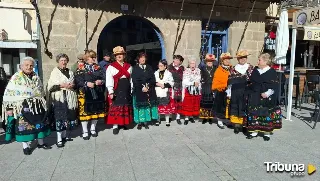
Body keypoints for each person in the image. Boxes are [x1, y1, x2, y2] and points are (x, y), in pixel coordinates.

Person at [2, 57, 51, 155]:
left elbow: (40, 90)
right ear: (21, 66)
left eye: (31, 65)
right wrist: (9, 108)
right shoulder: (16, 77)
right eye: (27, 65)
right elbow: (9, 93)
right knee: (24, 127)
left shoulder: (36, 76)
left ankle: (40, 143)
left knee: (39, 124)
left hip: (37, 105)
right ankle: (25, 146)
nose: (29, 67)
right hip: (22, 106)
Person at [244, 53, 282, 141]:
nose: (257, 61)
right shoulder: (255, 71)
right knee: (254, 112)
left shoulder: (271, 72)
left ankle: (266, 132)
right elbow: (251, 82)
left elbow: (274, 86)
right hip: (255, 95)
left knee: (266, 113)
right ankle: (254, 131)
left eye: (259, 60)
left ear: (265, 61)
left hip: (266, 97)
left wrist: (268, 93)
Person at [47, 53, 77, 147]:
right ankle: (59, 139)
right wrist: (62, 85)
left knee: (67, 117)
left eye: (65, 60)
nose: (63, 62)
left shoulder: (70, 72)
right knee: (59, 117)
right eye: (61, 61)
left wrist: (72, 85)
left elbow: (74, 83)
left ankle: (64, 136)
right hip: (59, 98)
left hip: (69, 97)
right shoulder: (55, 72)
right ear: (58, 62)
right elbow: (50, 87)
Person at [75, 50, 105, 140]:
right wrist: (86, 83)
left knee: (95, 111)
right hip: (84, 92)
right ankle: (85, 131)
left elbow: (103, 77)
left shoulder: (98, 67)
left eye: (94, 57)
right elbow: (77, 80)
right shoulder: (81, 67)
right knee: (84, 112)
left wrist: (101, 81)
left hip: (96, 91)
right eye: (91, 57)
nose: (93, 59)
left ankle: (92, 129)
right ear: (86, 58)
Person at [106, 46, 132, 135]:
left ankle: (123, 123)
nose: (119, 56)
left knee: (125, 106)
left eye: (121, 54)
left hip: (126, 88)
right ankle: (115, 126)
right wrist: (111, 91)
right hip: (116, 88)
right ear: (115, 56)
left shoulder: (129, 66)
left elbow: (131, 79)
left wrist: (131, 89)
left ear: (124, 55)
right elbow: (109, 79)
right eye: (117, 55)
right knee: (116, 107)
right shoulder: (111, 67)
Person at [227, 50, 254, 134]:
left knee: (245, 107)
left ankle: (245, 125)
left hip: (246, 91)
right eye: (241, 58)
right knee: (235, 106)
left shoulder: (251, 68)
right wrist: (229, 93)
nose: (243, 59)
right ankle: (236, 125)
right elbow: (230, 82)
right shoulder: (233, 69)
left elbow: (253, 81)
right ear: (238, 59)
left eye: (244, 57)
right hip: (235, 91)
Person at [131, 53, 158, 129]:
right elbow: (134, 80)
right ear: (138, 59)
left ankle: (146, 121)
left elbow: (153, 79)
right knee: (140, 106)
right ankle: (139, 122)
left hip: (149, 89)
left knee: (146, 106)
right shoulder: (135, 68)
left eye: (144, 58)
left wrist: (148, 86)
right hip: (139, 90)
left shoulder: (149, 67)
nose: (143, 59)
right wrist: (142, 87)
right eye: (141, 58)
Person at [212, 53, 233, 129]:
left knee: (228, 106)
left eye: (228, 59)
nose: (227, 61)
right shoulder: (219, 70)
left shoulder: (232, 69)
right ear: (222, 61)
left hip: (230, 90)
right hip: (221, 90)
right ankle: (220, 120)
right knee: (221, 106)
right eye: (226, 59)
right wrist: (224, 84)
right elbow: (216, 81)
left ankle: (227, 120)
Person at [180, 59, 202, 125]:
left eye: (194, 63)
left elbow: (199, 79)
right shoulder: (186, 71)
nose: (192, 65)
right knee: (188, 104)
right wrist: (193, 82)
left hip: (196, 90)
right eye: (191, 63)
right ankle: (186, 118)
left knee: (194, 103)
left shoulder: (198, 70)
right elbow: (185, 81)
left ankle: (191, 116)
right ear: (189, 64)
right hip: (189, 90)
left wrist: (197, 83)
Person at [154, 59, 175, 127]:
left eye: (161, 66)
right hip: (157, 91)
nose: (159, 67)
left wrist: (164, 85)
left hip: (165, 91)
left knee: (166, 106)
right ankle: (158, 119)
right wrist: (158, 84)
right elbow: (153, 81)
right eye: (159, 65)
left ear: (165, 66)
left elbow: (171, 83)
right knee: (158, 106)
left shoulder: (169, 73)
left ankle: (167, 120)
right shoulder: (156, 73)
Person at [199, 54, 217, 124]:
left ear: (213, 62)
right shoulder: (202, 68)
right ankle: (204, 117)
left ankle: (210, 118)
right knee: (204, 103)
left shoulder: (215, 68)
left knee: (211, 103)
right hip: (205, 86)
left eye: (211, 61)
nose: (209, 62)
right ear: (206, 62)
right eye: (208, 61)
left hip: (212, 87)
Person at [168, 55, 185, 124]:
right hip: (171, 86)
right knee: (171, 102)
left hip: (180, 86)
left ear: (180, 62)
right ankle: (170, 117)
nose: (176, 61)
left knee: (178, 102)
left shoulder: (182, 68)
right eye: (175, 59)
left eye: (178, 60)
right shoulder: (169, 67)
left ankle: (178, 117)